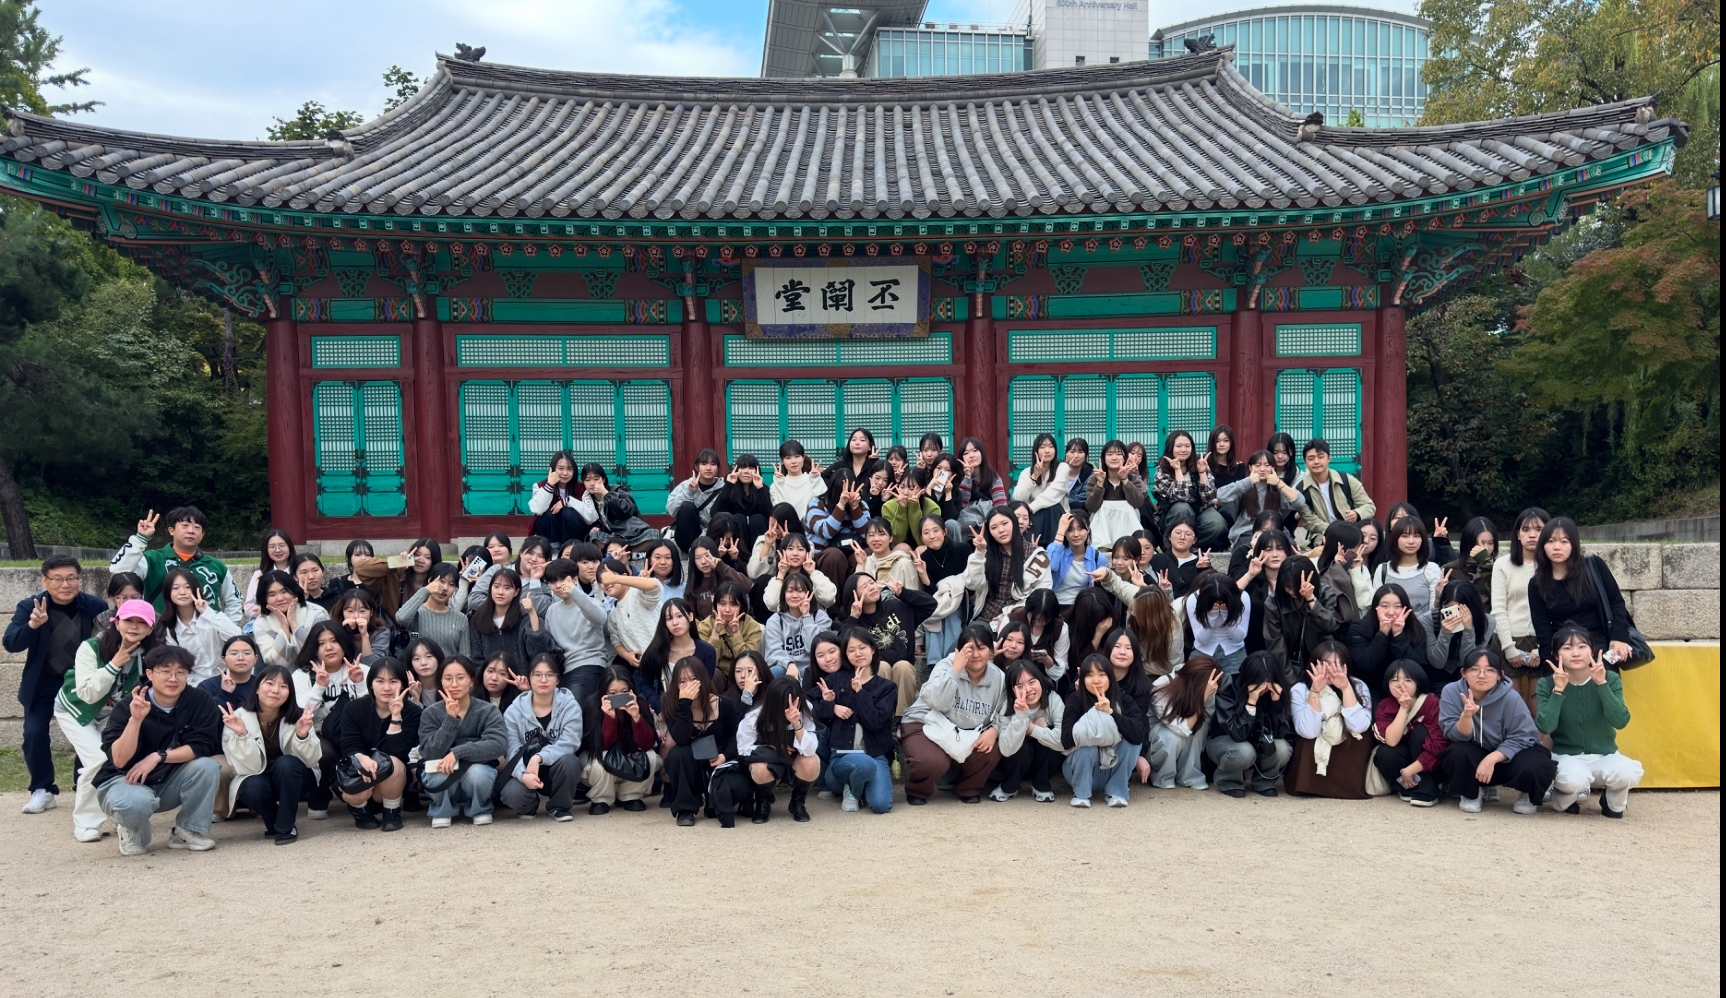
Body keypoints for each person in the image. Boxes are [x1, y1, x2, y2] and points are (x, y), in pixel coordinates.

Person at [94, 646, 223, 855]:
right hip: (125, 779)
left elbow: (202, 745)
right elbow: (118, 760)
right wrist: (135, 720)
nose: (173, 678)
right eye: (166, 671)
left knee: (207, 766)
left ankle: (187, 831)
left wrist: (158, 757)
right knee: (135, 802)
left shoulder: (199, 700)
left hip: (169, 778)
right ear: (150, 673)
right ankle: (132, 830)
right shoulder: (128, 705)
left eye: (180, 672)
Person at [7, 555, 109, 816]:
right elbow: (11, 643)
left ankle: (82, 785)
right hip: (43, 683)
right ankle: (42, 789)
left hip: (81, 683)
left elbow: (106, 642)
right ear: (45, 580)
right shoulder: (30, 606)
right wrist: (32, 625)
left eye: (71, 578)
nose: (66, 584)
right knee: (33, 733)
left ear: (79, 579)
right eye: (58, 579)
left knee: (87, 733)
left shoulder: (94, 606)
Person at [53, 600, 158, 841]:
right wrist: (114, 664)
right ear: (116, 622)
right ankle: (86, 823)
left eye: (141, 622)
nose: (134, 626)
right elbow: (88, 694)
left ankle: (124, 815)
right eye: (128, 620)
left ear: (151, 628)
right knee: (98, 760)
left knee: (124, 759)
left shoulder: (153, 653)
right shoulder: (92, 647)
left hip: (113, 714)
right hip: (76, 710)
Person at [1537, 626, 1641, 818]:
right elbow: (1545, 726)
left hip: (1605, 754)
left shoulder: (1610, 678)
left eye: (1582, 646)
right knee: (1574, 780)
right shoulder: (1547, 683)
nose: (1575, 653)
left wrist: (1601, 684)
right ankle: (1564, 799)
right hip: (1566, 755)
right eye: (1567, 648)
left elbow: (1620, 721)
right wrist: (1558, 691)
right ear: (1556, 655)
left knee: (1628, 772)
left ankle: (1612, 803)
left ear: (1592, 650)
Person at [1438, 649, 1556, 814]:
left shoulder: (1511, 697)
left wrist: (1491, 759)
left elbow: (1523, 737)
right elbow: (1453, 735)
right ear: (1463, 673)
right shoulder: (1452, 691)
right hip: (1475, 751)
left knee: (1539, 763)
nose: (1482, 675)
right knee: (1456, 753)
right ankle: (1471, 793)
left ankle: (1528, 794)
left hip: (1510, 756)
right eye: (1474, 669)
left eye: (1490, 670)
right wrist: (1466, 716)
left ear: (1500, 675)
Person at [899, 625, 1004, 805]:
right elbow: (938, 703)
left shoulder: (999, 678)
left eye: (981, 648)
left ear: (991, 652)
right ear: (958, 651)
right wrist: (955, 669)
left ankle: (968, 787)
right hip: (925, 723)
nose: (975, 654)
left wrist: (995, 730)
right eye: (969, 649)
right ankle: (918, 789)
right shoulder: (946, 666)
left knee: (991, 748)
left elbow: (1005, 711)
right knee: (932, 761)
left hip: (964, 732)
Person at [219, 663, 321, 844]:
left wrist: (302, 735)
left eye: (283, 686)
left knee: (286, 764)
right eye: (270, 684)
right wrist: (242, 734)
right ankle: (274, 823)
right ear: (257, 689)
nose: (276, 690)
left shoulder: (299, 716)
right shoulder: (237, 718)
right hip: (258, 776)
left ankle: (286, 826)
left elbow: (311, 760)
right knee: (252, 787)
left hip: (294, 777)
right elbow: (246, 768)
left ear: (289, 693)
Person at [809, 627, 898, 815]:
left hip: (874, 754)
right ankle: (853, 789)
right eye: (851, 650)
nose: (857, 653)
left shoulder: (886, 687)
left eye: (862, 648)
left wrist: (860, 692)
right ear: (846, 655)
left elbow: (875, 722)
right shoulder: (835, 680)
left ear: (873, 649)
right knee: (862, 764)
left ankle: (858, 785)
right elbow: (806, 702)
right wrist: (830, 706)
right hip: (841, 756)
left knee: (881, 805)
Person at [1528, 517, 1635, 668]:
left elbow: (1616, 603)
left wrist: (1619, 637)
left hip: (1600, 648)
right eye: (1550, 541)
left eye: (1564, 541)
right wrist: (1550, 668)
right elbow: (1542, 630)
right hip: (1564, 653)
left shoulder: (1594, 566)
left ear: (1574, 544)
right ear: (1542, 545)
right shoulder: (1536, 584)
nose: (1556, 547)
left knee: (1605, 683)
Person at [109, 506, 243, 624]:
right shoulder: (152, 559)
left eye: (197, 527)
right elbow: (119, 572)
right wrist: (140, 538)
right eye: (185, 526)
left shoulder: (216, 566)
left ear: (202, 534)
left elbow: (233, 601)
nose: (191, 531)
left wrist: (227, 629)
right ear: (171, 530)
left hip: (208, 634)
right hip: (160, 633)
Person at [418, 656, 507, 827]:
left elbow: (498, 744)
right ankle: (442, 809)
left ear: (471, 681)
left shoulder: (487, 710)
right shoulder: (430, 713)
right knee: (438, 775)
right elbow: (429, 752)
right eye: (448, 679)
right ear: (441, 682)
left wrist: (458, 753)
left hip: (475, 773)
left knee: (478, 774)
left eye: (460, 678)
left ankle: (480, 808)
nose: (454, 684)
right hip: (443, 776)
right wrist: (450, 719)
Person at [331, 658, 418, 831]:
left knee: (394, 762)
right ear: (371, 684)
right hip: (361, 777)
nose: (386, 688)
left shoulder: (413, 713)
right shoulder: (353, 708)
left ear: (403, 684)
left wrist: (396, 717)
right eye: (380, 681)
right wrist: (361, 759)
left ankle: (392, 812)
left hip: (391, 780)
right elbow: (349, 745)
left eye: (393, 681)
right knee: (357, 779)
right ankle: (360, 811)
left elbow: (399, 753)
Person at [496, 653, 584, 821]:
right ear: (529, 679)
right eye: (537, 675)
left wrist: (539, 758)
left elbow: (570, 742)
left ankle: (558, 807)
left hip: (556, 768)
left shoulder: (569, 705)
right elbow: (511, 750)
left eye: (549, 674)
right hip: (526, 768)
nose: (543, 680)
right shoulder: (514, 711)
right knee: (511, 793)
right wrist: (523, 775)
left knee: (571, 762)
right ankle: (528, 807)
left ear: (557, 679)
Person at [1285, 640, 1373, 798]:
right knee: (1307, 739)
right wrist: (1315, 692)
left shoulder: (1359, 685)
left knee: (1363, 737)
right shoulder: (1300, 689)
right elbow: (1308, 731)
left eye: (1337, 664)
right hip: (1315, 744)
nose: (1331, 669)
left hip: (1347, 747)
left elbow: (1359, 727)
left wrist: (1346, 688)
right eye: (1325, 664)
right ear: (1314, 664)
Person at [834, 572, 930, 716]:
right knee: (881, 666)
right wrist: (853, 618)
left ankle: (903, 718)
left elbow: (930, 605)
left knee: (903, 667)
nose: (871, 587)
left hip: (903, 667)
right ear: (853, 594)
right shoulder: (854, 622)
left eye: (872, 583)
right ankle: (881, 716)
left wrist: (904, 593)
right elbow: (844, 649)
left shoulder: (896, 606)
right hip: (874, 672)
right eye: (864, 586)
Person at [1061, 654, 1147, 808]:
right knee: (1087, 749)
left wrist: (1111, 713)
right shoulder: (1075, 699)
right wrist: (1094, 718)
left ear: (1110, 677)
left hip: (1110, 770)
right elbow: (1066, 740)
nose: (1096, 680)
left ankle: (1117, 791)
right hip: (1079, 771)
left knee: (1132, 743)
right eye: (1089, 675)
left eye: (1102, 674)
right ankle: (1081, 793)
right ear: (1082, 679)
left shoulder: (1123, 698)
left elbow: (1138, 735)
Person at [1207, 650, 1294, 798]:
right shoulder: (1229, 688)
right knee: (1244, 751)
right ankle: (1228, 781)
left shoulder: (1277, 691)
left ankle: (1264, 782)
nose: (1265, 686)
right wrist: (1251, 703)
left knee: (1283, 748)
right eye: (1260, 681)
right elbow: (1237, 734)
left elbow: (1281, 734)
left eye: (1269, 681)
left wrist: (1276, 704)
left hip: (1257, 741)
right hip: (1224, 741)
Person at [736, 675, 821, 822]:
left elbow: (810, 750)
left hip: (795, 758)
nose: (790, 709)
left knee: (812, 762)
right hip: (770, 760)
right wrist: (773, 749)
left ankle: (797, 803)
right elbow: (743, 749)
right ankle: (763, 803)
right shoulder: (755, 716)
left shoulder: (806, 708)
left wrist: (797, 724)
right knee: (759, 768)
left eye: (795, 703)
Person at [581, 666, 661, 815]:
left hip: (628, 756)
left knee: (651, 757)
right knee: (601, 759)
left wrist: (636, 717)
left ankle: (630, 795)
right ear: (603, 692)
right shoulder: (592, 705)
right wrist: (610, 718)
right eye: (613, 693)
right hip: (599, 757)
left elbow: (647, 745)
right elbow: (600, 747)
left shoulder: (640, 704)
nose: (619, 697)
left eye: (624, 692)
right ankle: (601, 798)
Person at [1491, 507, 1550, 709]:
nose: (1532, 535)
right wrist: (1509, 648)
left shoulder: (1553, 565)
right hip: (1508, 639)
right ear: (1518, 534)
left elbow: (1556, 610)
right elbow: (1498, 609)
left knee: (1538, 709)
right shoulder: (1502, 565)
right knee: (1513, 709)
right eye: (1526, 529)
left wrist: (1542, 647)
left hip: (1542, 640)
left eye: (1538, 529)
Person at [1371, 659, 1448, 806]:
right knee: (1386, 752)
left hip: (1427, 761)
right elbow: (1391, 741)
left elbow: (1440, 743)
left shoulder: (1431, 703)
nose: (1401, 684)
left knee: (1420, 733)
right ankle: (1405, 788)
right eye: (1394, 680)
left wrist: (1411, 769)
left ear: (1418, 682)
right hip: (1402, 757)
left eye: (1407, 680)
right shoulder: (1385, 706)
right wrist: (1403, 708)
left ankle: (1428, 789)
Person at [990, 660, 1066, 802]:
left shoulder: (1053, 700)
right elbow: (1006, 749)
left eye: (1032, 682)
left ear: (1040, 680)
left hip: (1044, 763)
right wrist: (1020, 717)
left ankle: (1041, 784)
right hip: (1017, 761)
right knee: (1018, 738)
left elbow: (1065, 743)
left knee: (1049, 735)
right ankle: (1010, 785)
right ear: (1011, 690)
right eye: (1020, 686)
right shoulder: (1007, 706)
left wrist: (1032, 730)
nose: (1028, 689)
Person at [1145, 654, 1222, 790]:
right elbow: (1181, 728)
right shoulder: (1161, 686)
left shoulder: (1207, 688)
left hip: (1184, 733)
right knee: (1173, 736)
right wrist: (1201, 698)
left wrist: (1205, 696)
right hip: (1158, 740)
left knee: (1199, 728)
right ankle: (1163, 776)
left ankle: (1189, 776)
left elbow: (1207, 718)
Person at [539, 556, 608, 701]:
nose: (558, 585)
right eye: (553, 582)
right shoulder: (552, 610)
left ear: (575, 579)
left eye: (562, 579)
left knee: (575, 705)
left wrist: (574, 592)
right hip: (563, 669)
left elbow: (600, 618)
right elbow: (550, 644)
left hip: (590, 663)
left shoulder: (591, 602)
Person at [1348, 584, 1432, 699]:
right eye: (1385, 606)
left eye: (1397, 606)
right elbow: (1366, 663)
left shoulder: (1414, 627)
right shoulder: (1359, 628)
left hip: (1406, 688)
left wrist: (1398, 635)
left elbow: (1415, 665)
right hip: (1370, 687)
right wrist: (1383, 633)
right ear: (1375, 607)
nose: (1391, 612)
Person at [636, 599, 717, 714]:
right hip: (666, 710)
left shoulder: (708, 651)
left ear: (690, 616)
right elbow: (644, 683)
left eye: (679, 616)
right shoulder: (657, 651)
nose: (675, 622)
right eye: (669, 619)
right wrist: (659, 708)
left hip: (697, 710)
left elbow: (705, 685)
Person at [1152, 430, 1226, 550]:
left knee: (1217, 523)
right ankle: (1174, 546)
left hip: (1199, 510)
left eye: (1187, 446)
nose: (1183, 450)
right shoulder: (1163, 470)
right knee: (1183, 507)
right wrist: (1177, 470)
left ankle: (1191, 546)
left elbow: (1208, 498)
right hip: (1173, 515)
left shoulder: (1200, 464)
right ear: (1171, 448)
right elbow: (1180, 497)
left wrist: (1202, 473)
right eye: (1179, 446)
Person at [467, 567, 555, 669]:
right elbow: (477, 659)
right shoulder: (479, 618)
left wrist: (532, 612)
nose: (500, 592)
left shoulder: (524, 618)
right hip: (491, 677)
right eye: (496, 586)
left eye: (507, 588)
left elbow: (538, 652)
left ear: (516, 592)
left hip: (521, 677)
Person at [1218, 449, 1307, 547]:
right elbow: (1221, 496)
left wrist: (1279, 483)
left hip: (1276, 531)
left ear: (1273, 468)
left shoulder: (1278, 489)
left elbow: (1300, 503)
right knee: (1245, 549)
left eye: (1267, 465)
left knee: (1292, 548)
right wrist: (1248, 481)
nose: (1262, 469)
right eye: (1257, 465)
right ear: (1250, 467)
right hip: (1247, 531)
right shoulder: (1243, 487)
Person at [913, 514, 969, 663]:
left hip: (960, 599)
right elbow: (932, 594)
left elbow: (970, 585)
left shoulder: (962, 549)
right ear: (921, 537)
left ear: (945, 531)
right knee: (933, 610)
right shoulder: (924, 558)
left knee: (950, 613)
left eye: (935, 530)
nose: (932, 536)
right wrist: (923, 573)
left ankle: (951, 658)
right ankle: (935, 662)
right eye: (926, 533)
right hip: (938, 602)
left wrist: (951, 592)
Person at [1292, 439, 1374, 539]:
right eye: (1311, 458)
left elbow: (1369, 506)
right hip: (1323, 533)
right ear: (1305, 462)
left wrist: (1357, 513)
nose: (1316, 461)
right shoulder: (1301, 489)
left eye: (1320, 457)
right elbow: (1310, 521)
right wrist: (1336, 531)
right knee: (1321, 541)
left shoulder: (1346, 480)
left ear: (1329, 458)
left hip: (1351, 530)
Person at [1426, 579, 1497, 687]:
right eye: (1447, 609)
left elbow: (1469, 663)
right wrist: (1445, 633)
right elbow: (1437, 663)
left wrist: (1469, 630)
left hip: (1469, 676)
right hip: (1434, 678)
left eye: (1459, 610)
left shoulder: (1488, 622)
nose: (1453, 615)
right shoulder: (1428, 620)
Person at [252, 571, 330, 668]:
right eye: (272, 594)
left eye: (284, 591)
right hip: (282, 676)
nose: (280, 598)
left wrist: (293, 624)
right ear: (264, 599)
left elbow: (317, 652)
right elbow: (274, 662)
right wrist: (284, 627)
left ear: (294, 591)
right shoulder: (261, 623)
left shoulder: (316, 613)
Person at [394, 562, 471, 659]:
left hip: (449, 668)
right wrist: (426, 590)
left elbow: (465, 657)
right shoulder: (416, 613)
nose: (445, 588)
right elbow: (401, 618)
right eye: (441, 581)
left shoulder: (460, 619)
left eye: (451, 584)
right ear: (430, 580)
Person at [1371, 515, 1442, 616]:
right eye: (1405, 536)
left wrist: (1438, 597)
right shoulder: (1383, 570)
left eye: (1416, 536)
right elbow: (1377, 607)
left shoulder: (1431, 569)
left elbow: (1433, 611)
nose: (1411, 541)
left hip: (1422, 625)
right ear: (1395, 538)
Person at [581, 463, 661, 551]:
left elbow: (626, 510)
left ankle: (620, 551)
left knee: (653, 535)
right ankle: (626, 551)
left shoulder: (618, 490)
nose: (592, 483)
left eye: (596, 479)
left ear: (603, 479)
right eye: (587, 480)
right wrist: (596, 528)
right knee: (594, 537)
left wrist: (606, 494)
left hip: (630, 532)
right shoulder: (586, 499)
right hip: (611, 536)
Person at [601, 559, 664, 670]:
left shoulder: (638, 592)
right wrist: (627, 655)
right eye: (601, 581)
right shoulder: (613, 613)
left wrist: (615, 579)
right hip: (642, 666)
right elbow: (616, 641)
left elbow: (655, 585)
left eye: (609, 577)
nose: (606, 582)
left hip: (664, 658)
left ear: (624, 576)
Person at [1085, 440, 1148, 550]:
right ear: (1103, 458)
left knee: (1127, 506)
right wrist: (1100, 484)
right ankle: (1102, 548)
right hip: (1102, 525)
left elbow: (1137, 502)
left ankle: (1129, 545)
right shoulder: (1094, 479)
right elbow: (1091, 507)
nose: (1114, 458)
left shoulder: (1133, 479)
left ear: (1125, 458)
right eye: (1110, 454)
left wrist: (1125, 480)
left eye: (1118, 454)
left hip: (1127, 524)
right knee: (1103, 506)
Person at [1185, 571, 1251, 674]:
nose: (1219, 604)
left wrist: (1226, 616)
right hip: (1203, 651)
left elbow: (1239, 637)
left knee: (1239, 681)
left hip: (1234, 651)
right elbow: (1202, 640)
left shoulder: (1242, 597)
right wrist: (1212, 616)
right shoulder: (1193, 599)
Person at [764, 573, 829, 678]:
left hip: (812, 668)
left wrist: (807, 616)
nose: (795, 595)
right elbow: (773, 652)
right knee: (775, 671)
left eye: (800, 590)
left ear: (809, 593)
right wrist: (789, 664)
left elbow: (815, 649)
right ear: (784, 594)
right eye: (790, 591)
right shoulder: (775, 620)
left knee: (806, 672)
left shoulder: (820, 617)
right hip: (785, 668)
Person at [1014, 433, 1075, 544]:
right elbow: (1018, 498)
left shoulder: (1062, 468)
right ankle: (1031, 547)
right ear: (1036, 451)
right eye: (1042, 447)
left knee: (1052, 507)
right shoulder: (1026, 472)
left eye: (1051, 446)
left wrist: (1028, 510)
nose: (1047, 451)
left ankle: (1052, 546)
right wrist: (1034, 477)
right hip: (1034, 520)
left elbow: (1052, 494)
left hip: (1057, 518)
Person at [666, 449, 727, 551]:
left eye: (713, 464)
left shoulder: (724, 488)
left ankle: (697, 549)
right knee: (687, 507)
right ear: (696, 467)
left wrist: (702, 538)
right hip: (687, 537)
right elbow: (671, 510)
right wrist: (689, 492)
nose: (708, 468)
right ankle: (692, 551)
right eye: (704, 464)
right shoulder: (686, 485)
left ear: (717, 468)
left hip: (712, 536)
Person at [528, 451, 594, 545]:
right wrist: (549, 485)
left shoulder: (581, 488)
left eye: (569, 469)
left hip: (574, 536)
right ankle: (553, 550)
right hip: (549, 535)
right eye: (560, 468)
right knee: (546, 514)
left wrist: (568, 501)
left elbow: (591, 517)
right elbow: (538, 509)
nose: (565, 473)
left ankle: (571, 549)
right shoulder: (540, 486)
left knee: (569, 513)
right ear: (552, 469)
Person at [713, 452, 772, 549]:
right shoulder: (730, 488)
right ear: (736, 470)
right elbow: (716, 513)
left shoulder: (763, 488)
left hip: (758, 535)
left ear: (757, 471)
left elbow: (768, 516)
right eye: (742, 467)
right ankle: (739, 556)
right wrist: (728, 485)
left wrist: (760, 489)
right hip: (735, 541)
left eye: (751, 468)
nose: (746, 472)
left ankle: (760, 555)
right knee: (738, 518)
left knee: (757, 519)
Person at [1048, 511, 1108, 606]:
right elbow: (1051, 566)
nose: (1076, 534)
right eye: (1070, 530)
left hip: (1083, 606)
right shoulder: (1058, 551)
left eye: (1080, 529)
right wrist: (1060, 531)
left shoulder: (1097, 557)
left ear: (1088, 529)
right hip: (1056, 605)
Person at [1314, 520, 1369, 624]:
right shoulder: (1314, 566)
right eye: (1355, 547)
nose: (1358, 551)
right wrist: (1336, 569)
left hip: (1356, 627)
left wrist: (1356, 571)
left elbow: (1365, 604)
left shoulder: (1361, 570)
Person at [684, 537, 753, 620]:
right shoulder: (694, 584)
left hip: (733, 624)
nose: (703, 561)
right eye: (697, 558)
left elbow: (746, 586)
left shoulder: (725, 574)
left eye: (707, 556)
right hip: (706, 627)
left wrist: (721, 566)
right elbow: (690, 615)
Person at [806, 467, 871, 552]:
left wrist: (855, 507)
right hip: (825, 551)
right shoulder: (816, 503)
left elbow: (866, 534)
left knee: (871, 552)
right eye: (842, 492)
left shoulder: (861, 504)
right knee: (835, 554)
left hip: (853, 549)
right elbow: (826, 533)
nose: (846, 496)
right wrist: (841, 505)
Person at [1020, 589, 1072, 684]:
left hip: (1042, 679)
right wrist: (1024, 656)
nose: (1038, 623)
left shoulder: (1060, 627)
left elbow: (1061, 668)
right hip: (1014, 673)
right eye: (1034, 619)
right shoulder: (1013, 618)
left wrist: (1047, 660)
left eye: (1044, 620)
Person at [199, 634, 262, 710]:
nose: (241, 658)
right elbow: (202, 714)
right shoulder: (207, 687)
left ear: (255, 658)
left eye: (247, 653)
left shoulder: (262, 686)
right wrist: (224, 694)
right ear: (223, 659)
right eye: (234, 653)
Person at [242, 530, 296, 620]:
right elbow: (248, 607)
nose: (277, 550)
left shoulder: (299, 572)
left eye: (282, 545)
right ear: (266, 550)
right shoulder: (259, 575)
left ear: (289, 547)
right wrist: (264, 610)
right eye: (272, 546)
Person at [332, 588, 393, 664]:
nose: (356, 616)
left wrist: (364, 635)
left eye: (362, 611)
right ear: (342, 612)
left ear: (371, 612)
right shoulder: (333, 631)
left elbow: (372, 665)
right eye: (350, 611)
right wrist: (340, 632)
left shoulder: (382, 631)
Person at [770, 440, 824, 519]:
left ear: (803, 457)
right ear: (782, 461)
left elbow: (820, 508)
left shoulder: (813, 479)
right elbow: (779, 511)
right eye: (788, 458)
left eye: (797, 456)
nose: (793, 461)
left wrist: (815, 480)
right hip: (788, 525)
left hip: (810, 525)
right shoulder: (776, 485)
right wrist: (779, 484)